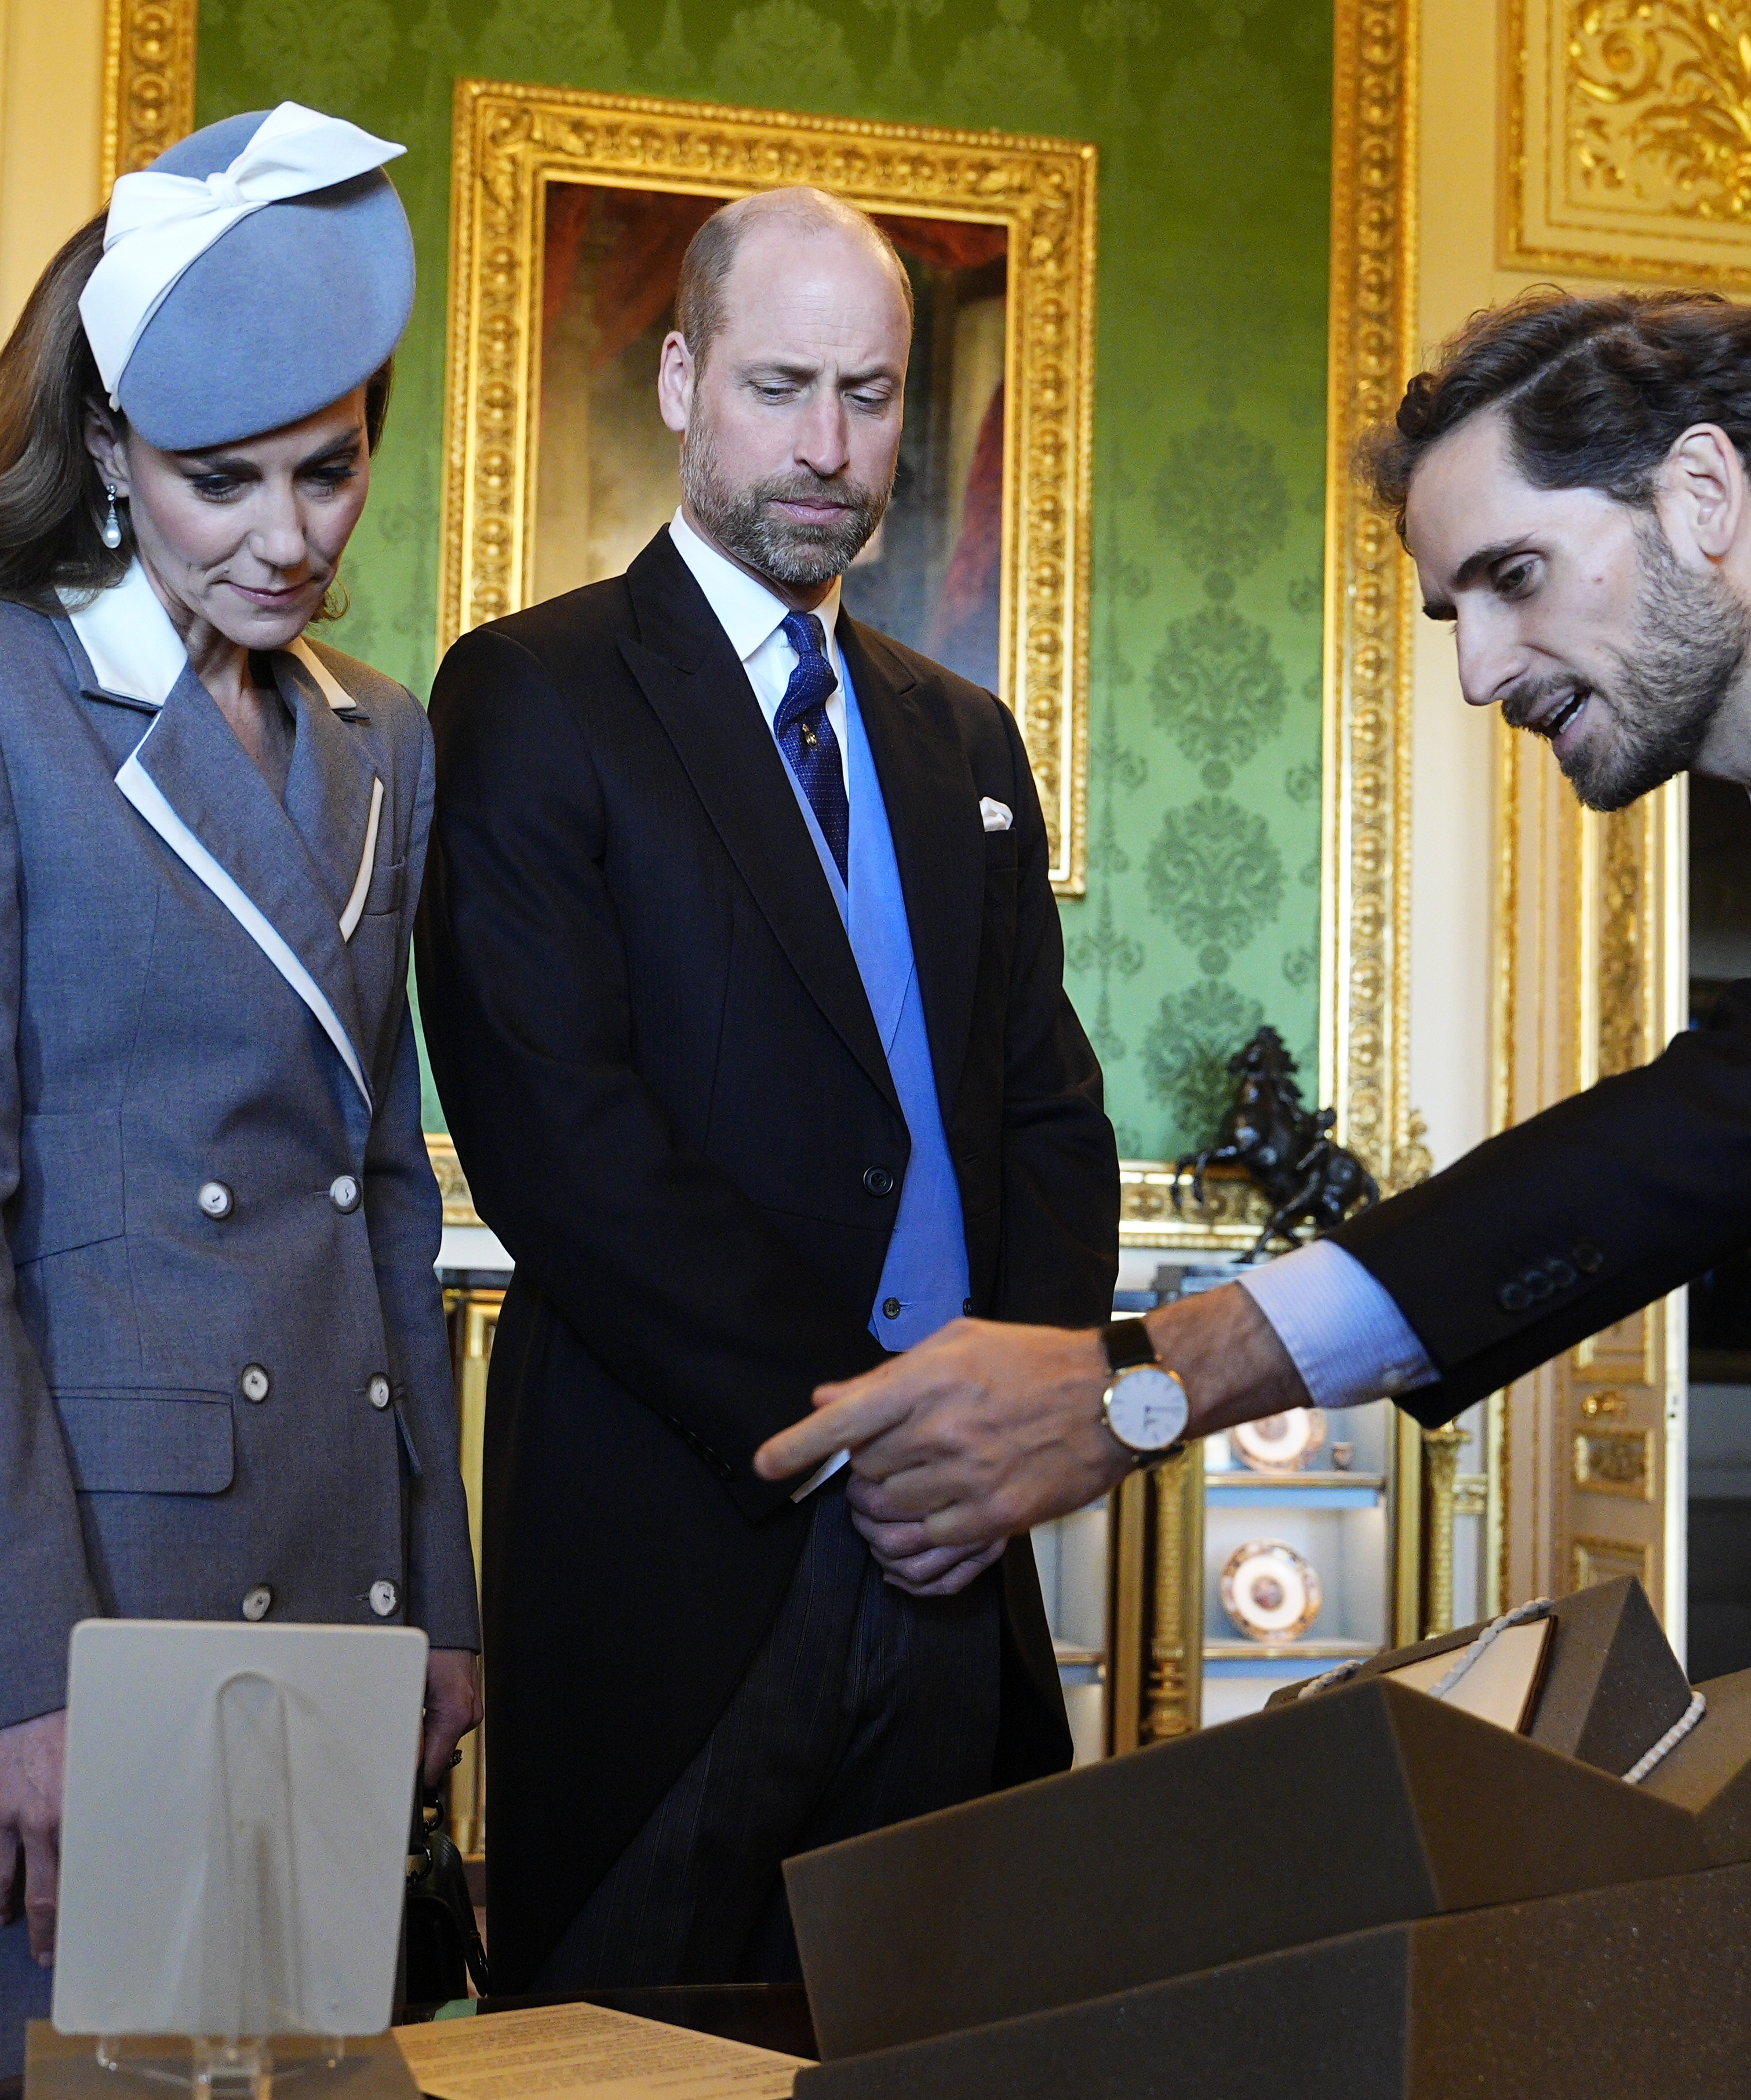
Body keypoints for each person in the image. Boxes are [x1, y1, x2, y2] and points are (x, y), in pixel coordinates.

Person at [758, 290, 1751, 2100]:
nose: (1478, 673)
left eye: (1515, 579)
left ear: (1704, 494)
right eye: (1455, 611)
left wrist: (1174, 1369)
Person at [0, 105, 480, 2099]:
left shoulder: (385, 736)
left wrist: (439, 1596)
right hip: (103, 1567)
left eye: (329, 469)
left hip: (339, 1538)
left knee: (299, 2078)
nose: (287, 537)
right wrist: (21, 1670)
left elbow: (384, 1197)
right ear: (107, 451)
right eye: (220, 482)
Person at [414, 185, 1117, 1994]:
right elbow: (559, 1140)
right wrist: (879, 1432)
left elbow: (1046, 1114)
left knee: (958, 2029)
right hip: (687, 1537)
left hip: (963, 1552)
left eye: (870, 396)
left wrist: (1005, 1426)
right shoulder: (529, 693)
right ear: (679, 380)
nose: (828, 447)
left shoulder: (965, 737)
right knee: (640, 2043)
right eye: (781, 385)